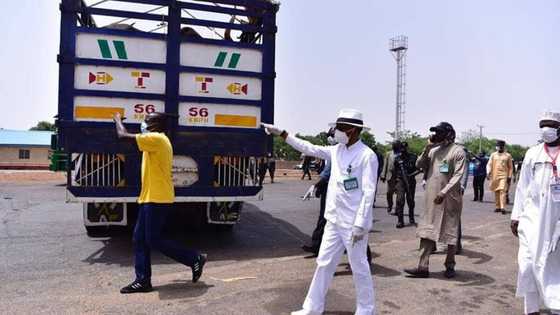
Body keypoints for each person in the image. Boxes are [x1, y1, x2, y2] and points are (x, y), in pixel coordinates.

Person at [263, 108, 377, 315]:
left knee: (359, 267)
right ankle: (312, 308)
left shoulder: (367, 156)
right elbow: (309, 148)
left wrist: (361, 223)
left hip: (354, 224)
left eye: (340, 128)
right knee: (323, 263)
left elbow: (369, 193)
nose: (336, 132)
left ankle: (366, 310)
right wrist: (282, 133)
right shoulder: (336, 151)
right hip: (334, 220)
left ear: (352, 130)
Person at [113, 112, 206, 294]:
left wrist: (117, 119)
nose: (143, 123)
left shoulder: (157, 139)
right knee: (139, 239)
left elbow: (122, 136)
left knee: (153, 239)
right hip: (149, 196)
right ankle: (143, 281)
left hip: (157, 198)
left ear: (156, 124)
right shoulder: (155, 140)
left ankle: (194, 258)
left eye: (147, 121)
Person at [511, 111, 560, 315]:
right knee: (527, 264)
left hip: (555, 221)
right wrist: (516, 216)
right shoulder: (533, 153)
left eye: (549, 124)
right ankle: (531, 310)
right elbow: (523, 187)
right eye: (542, 125)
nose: (545, 129)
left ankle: (556, 306)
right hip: (531, 219)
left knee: (553, 266)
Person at [301, 129, 373, 265]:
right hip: (331, 191)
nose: (331, 138)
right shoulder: (337, 150)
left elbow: (331, 172)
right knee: (328, 222)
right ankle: (320, 251)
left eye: (332, 135)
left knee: (352, 230)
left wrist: (317, 184)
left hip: (344, 196)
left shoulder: (359, 153)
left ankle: (364, 260)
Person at [404, 122, 465, 279]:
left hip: (449, 198)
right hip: (432, 198)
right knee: (427, 230)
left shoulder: (458, 152)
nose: (435, 135)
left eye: (439, 133)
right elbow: (419, 165)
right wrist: (427, 149)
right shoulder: (434, 151)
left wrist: (444, 192)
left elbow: (458, 175)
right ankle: (422, 267)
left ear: (449, 134)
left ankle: (450, 265)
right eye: (434, 133)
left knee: (449, 231)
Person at [393, 141, 420, 228]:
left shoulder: (413, 157)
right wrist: (395, 184)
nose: (403, 150)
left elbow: (419, 169)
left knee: (410, 200)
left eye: (404, 148)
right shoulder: (397, 159)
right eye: (401, 149)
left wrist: (410, 175)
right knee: (400, 200)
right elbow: (395, 172)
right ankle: (400, 221)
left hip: (411, 180)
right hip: (400, 181)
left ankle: (411, 218)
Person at [487, 140, 514, 214]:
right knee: (496, 190)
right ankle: (497, 207)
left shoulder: (508, 155)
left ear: (503, 147)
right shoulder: (493, 155)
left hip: (504, 175)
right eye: (498, 146)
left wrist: (509, 176)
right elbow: (489, 164)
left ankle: (503, 207)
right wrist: (488, 172)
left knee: (502, 190)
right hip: (495, 175)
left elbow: (511, 167)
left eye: (501, 146)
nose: (499, 147)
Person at [380, 142, 399, 214]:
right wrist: (383, 175)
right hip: (390, 177)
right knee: (389, 193)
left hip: (398, 177)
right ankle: (390, 205)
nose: (393, 146)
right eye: (393, 145)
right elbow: (385, 165)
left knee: (399, 194)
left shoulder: (401, 154)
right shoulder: (388, 154)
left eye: (395, 145)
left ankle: (397, 209)